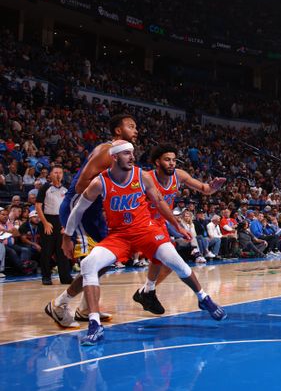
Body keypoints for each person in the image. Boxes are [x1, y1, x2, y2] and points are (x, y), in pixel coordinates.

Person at [61, 140, 226, 346]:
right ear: (114, 157)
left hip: (146, 229)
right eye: (126, 153)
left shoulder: (141, 175)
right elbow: (77, 210)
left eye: (132, 153)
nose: (131, 156)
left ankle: (203, 298)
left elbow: (159, 202)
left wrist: (178, 225)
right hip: (119, 235)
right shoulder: (99, 182)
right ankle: (94, 324)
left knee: (175, 261)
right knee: (88, 265)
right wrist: (66, 237)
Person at [47, 114, 137, 328]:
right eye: (131, 126)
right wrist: (68, 234)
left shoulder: (123, 156)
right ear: (117, 131)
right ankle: (59, 304)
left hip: (94, 212)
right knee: (92, 263)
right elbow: (80, 187)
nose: (136, 130)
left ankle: (86, 308)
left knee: (108, 258)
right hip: (79, 208)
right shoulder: (106, 151)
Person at [133, 144, 226, 315]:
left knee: (165, 265)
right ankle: (202, 297)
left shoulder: (179, 175)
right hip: (143, 223)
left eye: (174, 160)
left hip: (161, 223)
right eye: (167, 160)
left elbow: (205, 189)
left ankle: (146, 292)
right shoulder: (146, 178)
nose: (171, 163)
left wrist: (213, 187)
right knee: (175, 262)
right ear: (157, 162)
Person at [36, 165, 72, 285]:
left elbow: (69, 208)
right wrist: (45, 223)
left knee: (62, 250)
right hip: (48, 220)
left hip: (61, 220)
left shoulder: (66, 188)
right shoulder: (45, 187)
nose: (58, 175)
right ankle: (46, 277)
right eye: (55, 172)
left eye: (60, 173)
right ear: (50, 175)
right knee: (47, 251)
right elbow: (38, 206)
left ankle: (65, 277)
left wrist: (65, 224)